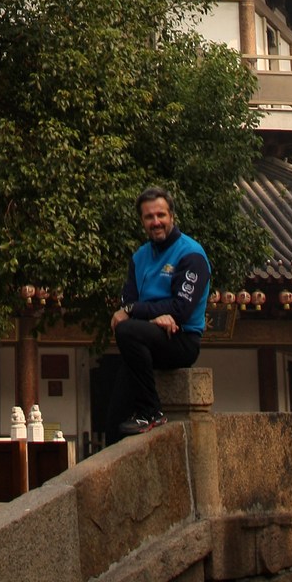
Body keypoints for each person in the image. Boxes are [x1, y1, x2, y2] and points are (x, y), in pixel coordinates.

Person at [107, 186, 210, 439]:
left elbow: (180, 310)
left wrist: (134, 311)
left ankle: (150, 411)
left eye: (161, 215)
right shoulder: (139, 257)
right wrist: (151, 317)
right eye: (149, 217)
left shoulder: (191, 254)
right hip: (148, 339)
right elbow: (128, 300)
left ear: (172, 216)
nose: (156, 222)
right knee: (112, 424)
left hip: (180, 339)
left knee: (127, 328)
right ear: (142, 221)